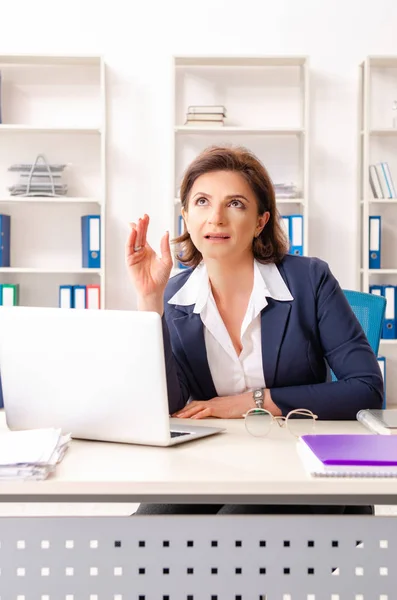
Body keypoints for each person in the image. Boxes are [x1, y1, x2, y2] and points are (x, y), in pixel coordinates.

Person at [126, 145, 383, 516]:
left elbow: (366, 389)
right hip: (210, 463)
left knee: (233, 534)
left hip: (301, 461)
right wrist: (149, 302)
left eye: (235, 204)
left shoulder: (309, 279)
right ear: (185, 216)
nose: (215, 218)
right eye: (201, 202)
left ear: (261, 221)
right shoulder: (172, 296)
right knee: (144, 536)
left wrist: (255, 402)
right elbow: (169, 409)